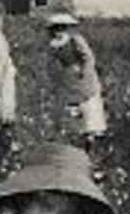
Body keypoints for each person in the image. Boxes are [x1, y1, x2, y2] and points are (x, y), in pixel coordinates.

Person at [45, 13, 106, 148]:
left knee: (88, 103)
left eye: (62, 27)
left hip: (81, 75)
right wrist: (55, 77)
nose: (58, 30)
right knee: (72, 105)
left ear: (68, 28)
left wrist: (85, 71)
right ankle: (77, 136)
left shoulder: (76, 40)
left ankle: (90, 138)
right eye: (56, 28)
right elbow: (52, 63)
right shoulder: (54, 44)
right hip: (67, 77)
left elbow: (88, 57)